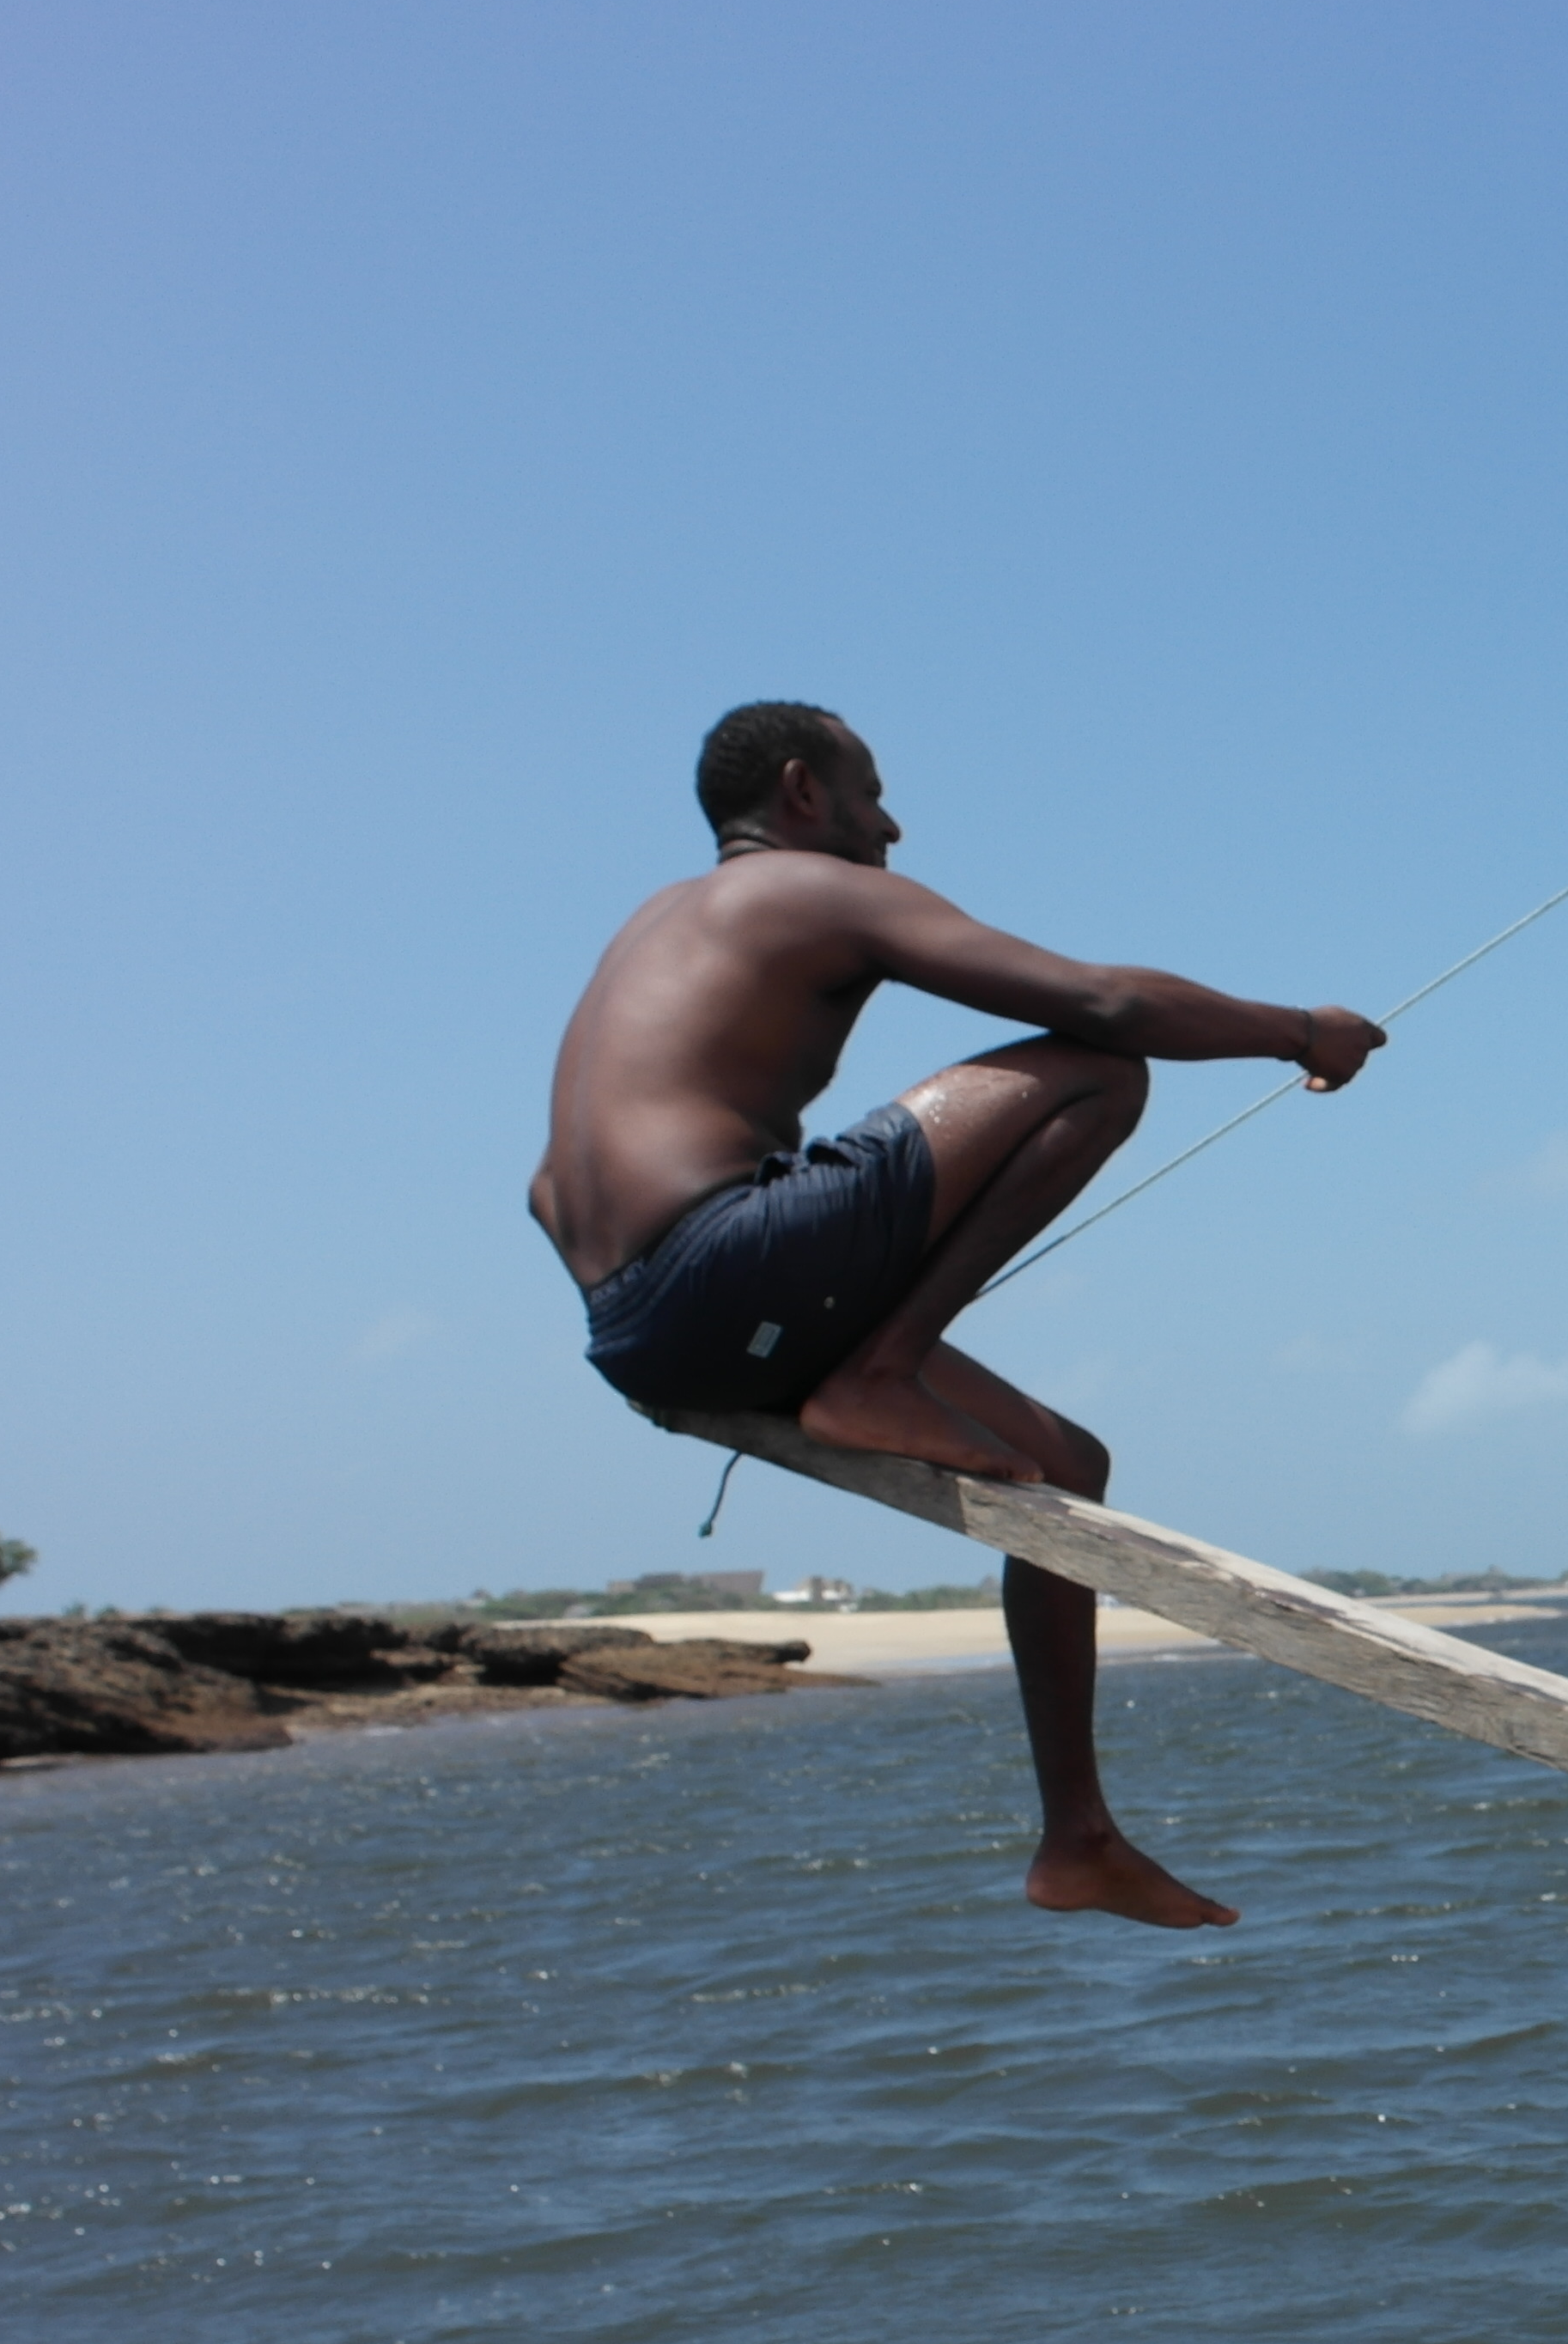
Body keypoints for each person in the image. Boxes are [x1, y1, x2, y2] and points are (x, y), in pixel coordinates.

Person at [531, 702, 1383, 1927]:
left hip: (633, 1327)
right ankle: (881, 1368)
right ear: (802, 791)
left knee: (1066, 1467)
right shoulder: (807, 889)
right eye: (871, 792)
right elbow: (1105, 1003)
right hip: (717, 1268)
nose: (892, 826)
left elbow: (547, 1191)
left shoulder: (652, 929)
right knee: (1097, 1069)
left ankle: (1077, 1842)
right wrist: (1300, 1032)